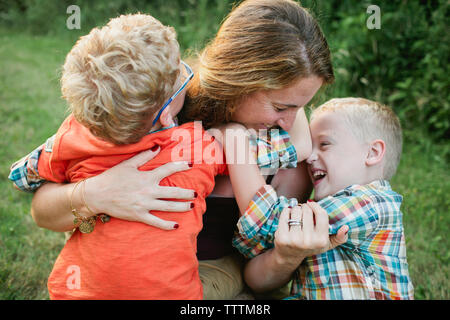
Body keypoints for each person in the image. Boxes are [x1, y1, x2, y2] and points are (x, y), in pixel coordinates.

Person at [9, 0, 347, 299]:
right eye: (281, 106)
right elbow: (41, 209)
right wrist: (92, 194)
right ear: (240, 80)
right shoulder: (145, 101)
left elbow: (262, 280)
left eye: (303, 106)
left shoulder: (289, 155)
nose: (290, 121)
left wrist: (286, 257)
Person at [233, 97, 415, 299]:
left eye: (325, 144)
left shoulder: (371, 203)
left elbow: (268, 220)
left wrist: (236, 145)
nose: (309, 157)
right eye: (312, 146)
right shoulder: (329, 210)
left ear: (372, 153)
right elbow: (259, 263)